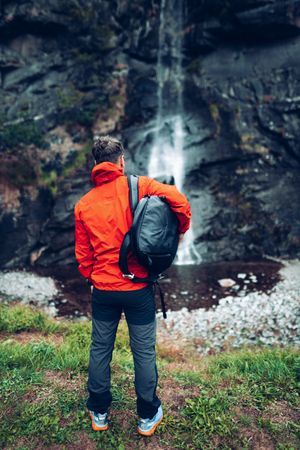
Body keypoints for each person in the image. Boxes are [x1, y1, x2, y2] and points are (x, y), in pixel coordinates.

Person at [74, 135, 191, 436]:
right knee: (143, 352)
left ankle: (99, 411)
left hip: (103, 291)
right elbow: (180, 202)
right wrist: (177, 233)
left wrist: (92, 277)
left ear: (95, 163)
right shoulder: (141, 187)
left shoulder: (83, 205)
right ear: (121, 160)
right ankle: (147, 416)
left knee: (100, 348)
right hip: (138, 290)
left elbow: (83, 255)